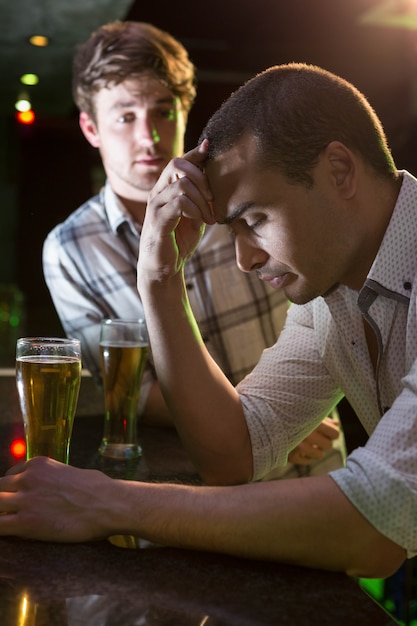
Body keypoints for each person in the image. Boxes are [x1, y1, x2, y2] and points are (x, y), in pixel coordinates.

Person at [5, 65, 394, 574]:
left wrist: (104, 501)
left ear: (339, 171)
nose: (246, 260)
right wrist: (159, 275)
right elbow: (234, 453)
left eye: (255, 220)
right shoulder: (328, 297)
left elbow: (375, 529)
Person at [42, 20, 343, 470]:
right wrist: (261, 425)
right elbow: (131, 390)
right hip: (192, 482)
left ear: (186, 109)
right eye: (125, 116)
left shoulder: (246, 195)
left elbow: (325, 311)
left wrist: (283, 420)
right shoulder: (68, 249)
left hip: (314, 461)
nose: (148, 137)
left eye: (163, 111)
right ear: (90, 127)